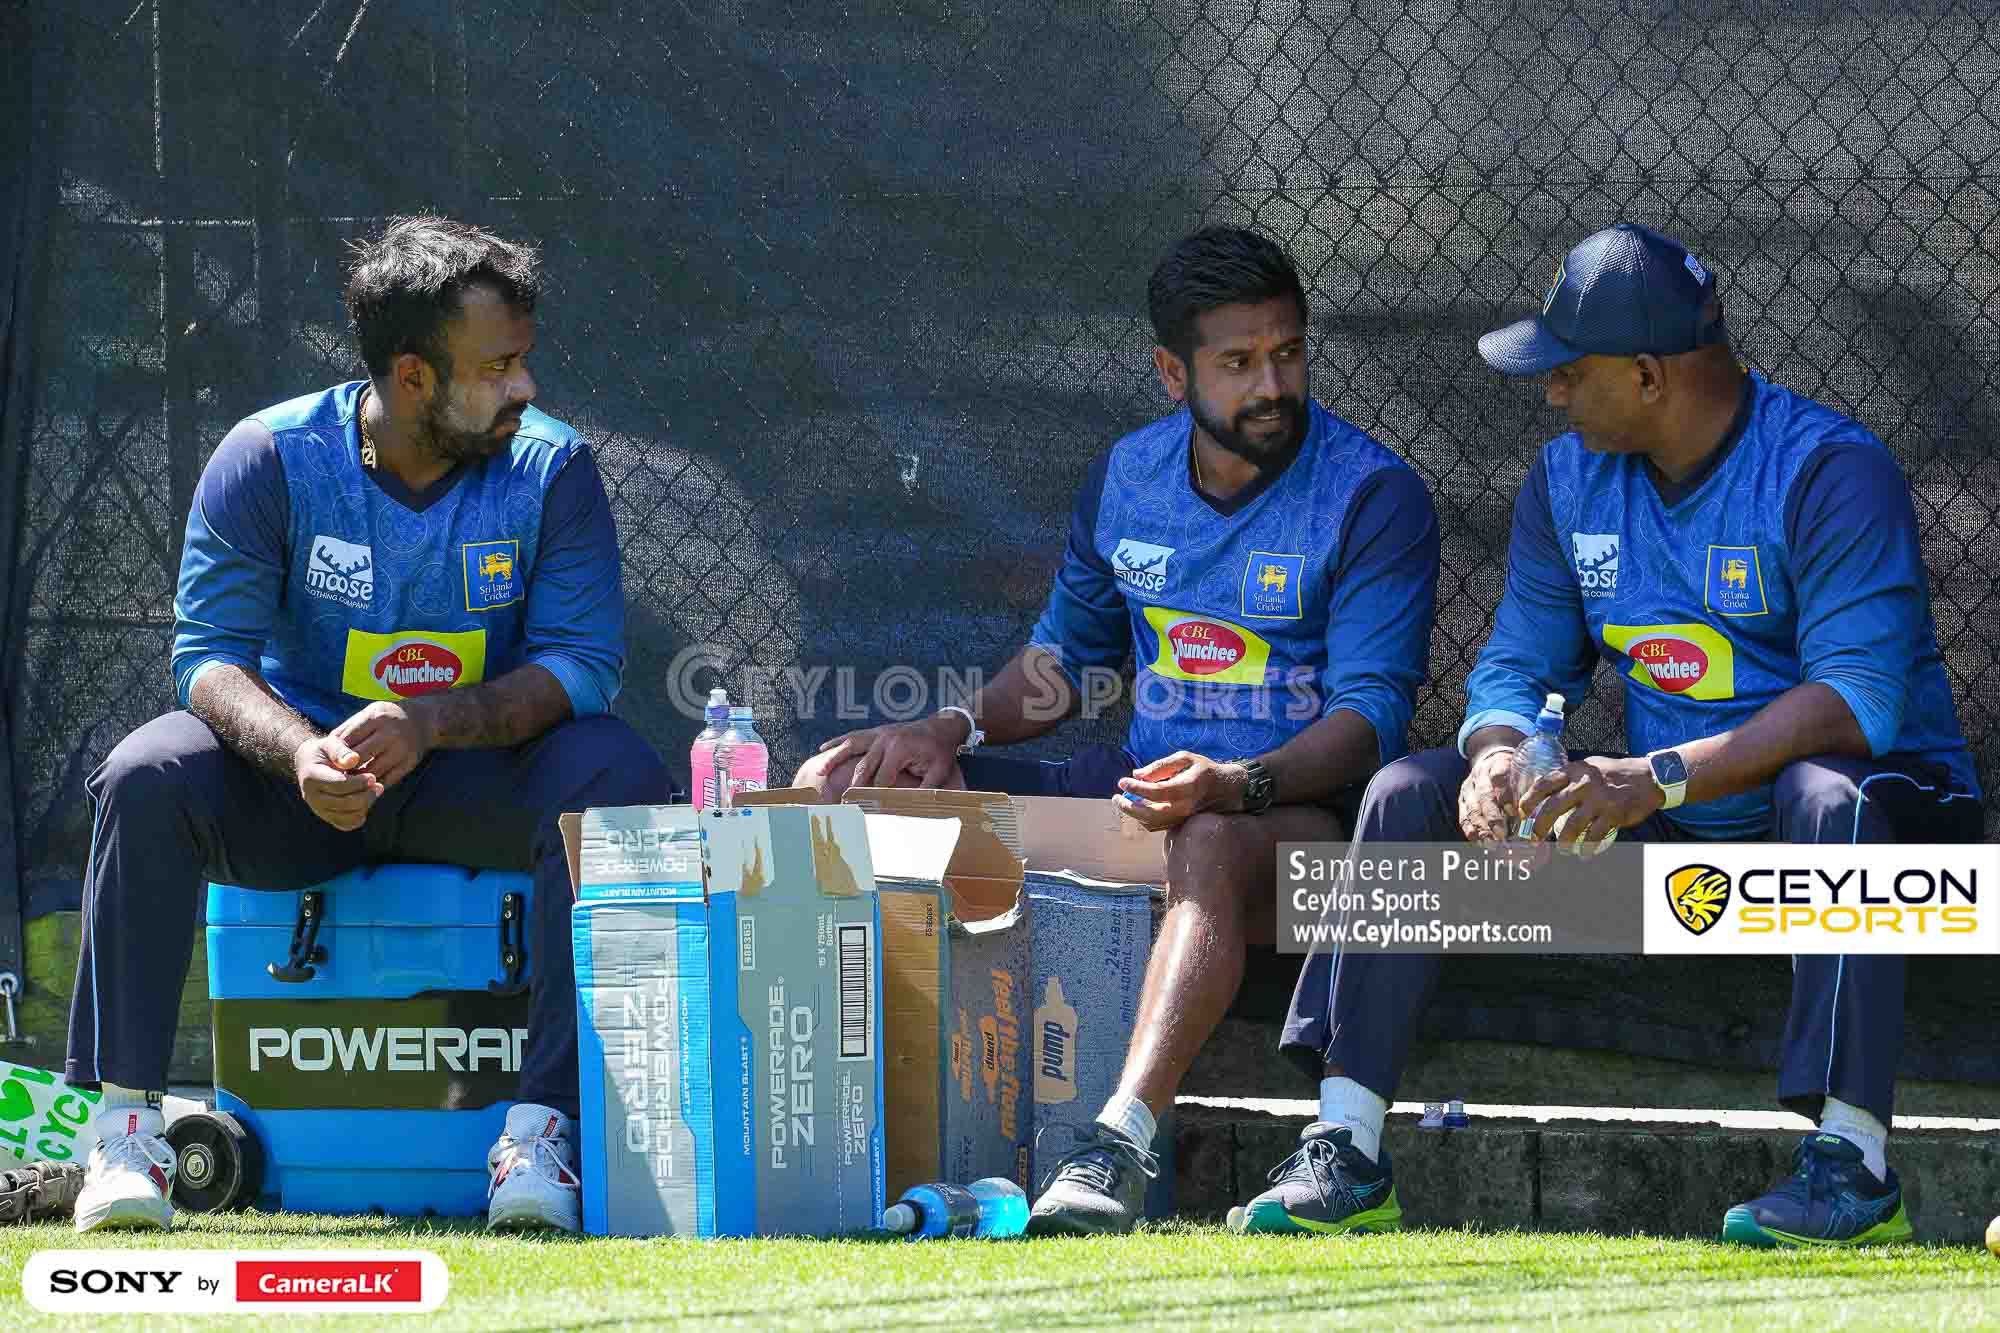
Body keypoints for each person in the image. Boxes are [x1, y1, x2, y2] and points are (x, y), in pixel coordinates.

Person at [1252, 222, 1980, 1247]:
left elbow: (1854, 701)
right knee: (1404, 791)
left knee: (1826, 789)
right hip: (1680, 821)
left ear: (1646, 374)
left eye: (1568, 371)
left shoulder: (1828, 468)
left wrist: (1652, 776)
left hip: (1887, 822)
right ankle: (1345, 1144)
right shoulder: (1567, 480)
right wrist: (1497, 753)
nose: (1550, 392)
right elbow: (1516, 662)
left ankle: (1851, 1165)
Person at [796, 226, 1440, 1235]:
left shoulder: (1371, 494)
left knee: (1208, 838)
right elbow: (1059, 668)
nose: (1272, 384)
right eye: (1238, 362)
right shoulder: (1126, 478)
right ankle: (841, 1147)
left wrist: (1235, 781)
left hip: (1299, 827)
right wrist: (947, 725)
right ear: (1171, 373)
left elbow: (1368, 723)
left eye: (1287, 353)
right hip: (1141, 794)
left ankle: (1114, 1146)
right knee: (861, 789)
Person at [64, 216, 670, 1234]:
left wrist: (430, 723)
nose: (524, 386)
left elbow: (582, 665)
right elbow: (206, 656)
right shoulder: (269, 456)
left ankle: (542, 1136)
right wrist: (302, 752)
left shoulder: (554, 469)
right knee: (146, 771)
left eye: (524, 360)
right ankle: (125, 1135)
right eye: (498, 367)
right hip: (301, 786)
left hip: (469, 775)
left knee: (615, 770)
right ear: (414, 376)